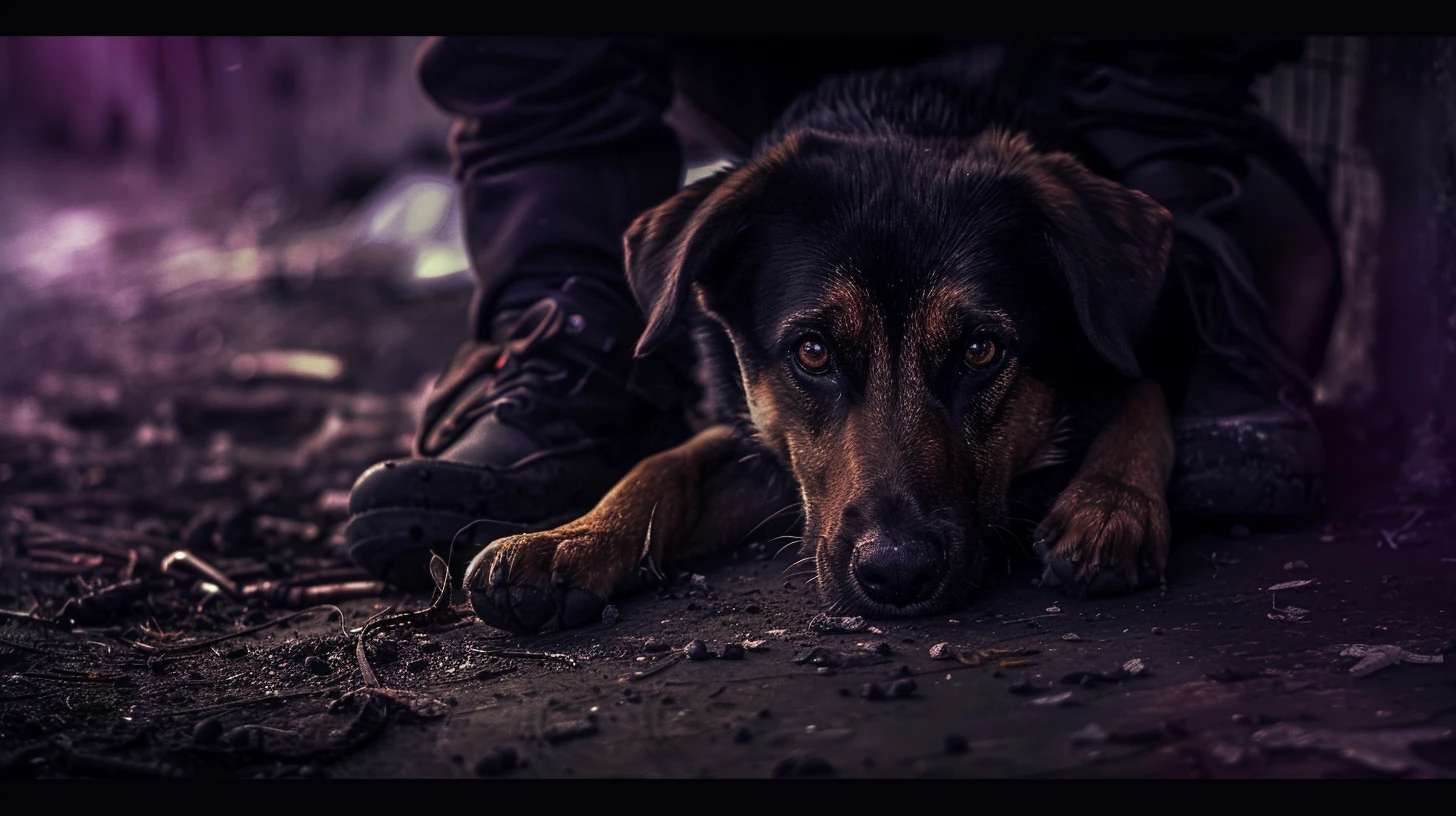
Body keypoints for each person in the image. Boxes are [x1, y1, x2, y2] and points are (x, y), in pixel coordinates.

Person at [344, 37, 1342, 590]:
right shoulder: (766, 240)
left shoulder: (1050, 234)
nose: (890, 515)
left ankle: (1217, 322)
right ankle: (570, 344)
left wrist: (1134, 448)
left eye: (979, 353)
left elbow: (1118, 369)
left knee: (1270, 254)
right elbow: (744, 450)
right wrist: (615, 529)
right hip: (785, 79)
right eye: (816, 354)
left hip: (1109, 85)